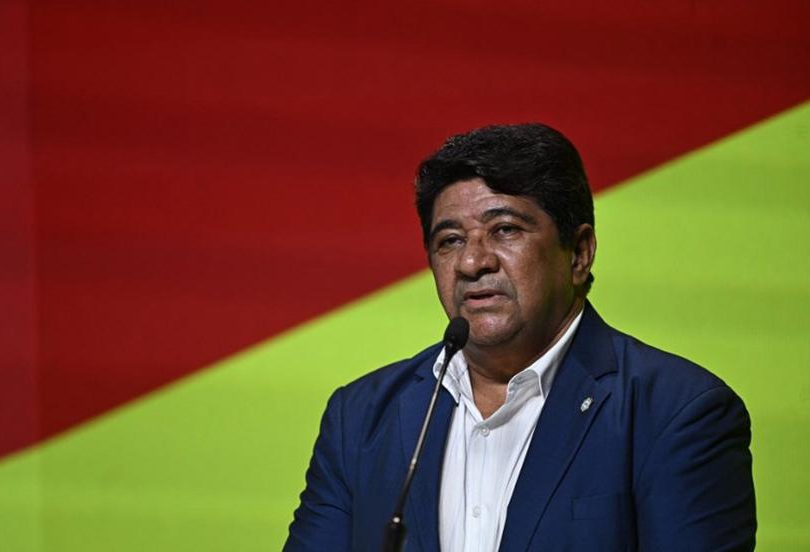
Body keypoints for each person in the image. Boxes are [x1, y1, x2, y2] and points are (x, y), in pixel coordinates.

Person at [284, 124, 756, 551]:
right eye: (450, 240)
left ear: (579, 254)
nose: (472, 262)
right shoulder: (363, 418)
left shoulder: (675, 412)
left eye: (504, 229)